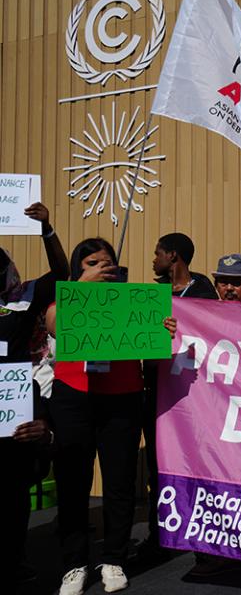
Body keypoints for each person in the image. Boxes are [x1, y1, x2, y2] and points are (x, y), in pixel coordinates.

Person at [46, 238, 173, 595]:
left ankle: (114, 557)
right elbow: (54, 325)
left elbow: (156, 335)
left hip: (123, 396)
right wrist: (80, 287)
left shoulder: (133, 300)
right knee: (73, 481)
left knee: (119, 482)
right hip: (73, 397)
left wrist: (165, 330)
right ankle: (74, 564)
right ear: (78, 269)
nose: (101, 268)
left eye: (107, 263)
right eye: (91, 263)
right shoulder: (66, 295)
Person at [139, 233, 218, 566]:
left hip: (193, 395)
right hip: (156, 392)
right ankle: (162, 536)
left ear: (173, 256)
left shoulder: (203, 293)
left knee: (196, 463)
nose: (153, 259)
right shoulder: (151, 295)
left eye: (157, 253)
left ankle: (202, 535)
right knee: (159, 465)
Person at [0, 203, 67, 586]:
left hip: (12, 405)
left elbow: (61, 273)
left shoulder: (23, 297)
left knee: (13, 489)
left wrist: (46, 228)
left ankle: (14, 558)